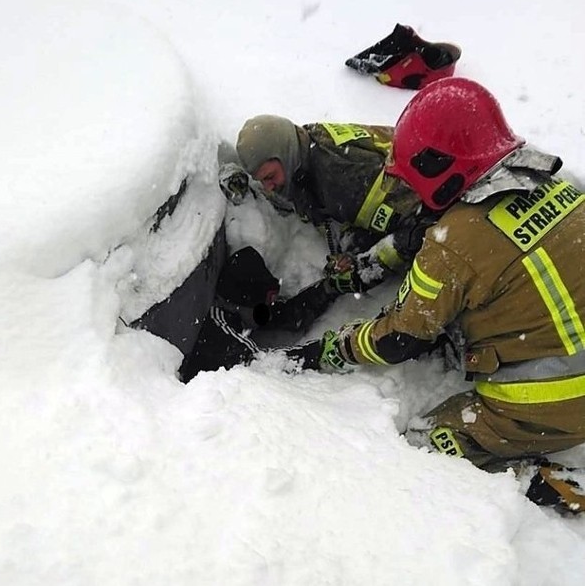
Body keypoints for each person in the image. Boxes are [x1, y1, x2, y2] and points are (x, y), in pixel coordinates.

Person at [317, 77, 585, 514]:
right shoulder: (561, 185)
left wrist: (338, 345)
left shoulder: (454, 241)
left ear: (439, 167)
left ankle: (536, 479)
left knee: (427, 441)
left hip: (551, 402)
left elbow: (399, 337)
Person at [231, 115, 439, 292]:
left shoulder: (342, 179)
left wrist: (364, 268)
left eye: (270, 177)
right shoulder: (304, 145)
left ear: (285, 154)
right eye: (261, 181)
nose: (268, 187)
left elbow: (422, 226)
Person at [134, 243, 343, 383]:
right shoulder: (220, 332)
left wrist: (330, 288)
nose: (270, 309)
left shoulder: (242, 311)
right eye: (264, 304)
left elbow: (289, 315)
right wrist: (321, 352)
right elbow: (264, 366)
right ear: (243, 303)